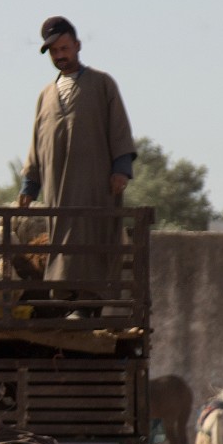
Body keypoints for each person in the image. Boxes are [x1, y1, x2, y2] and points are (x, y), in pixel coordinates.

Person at [18, 16, 136, 304]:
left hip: (96, 186)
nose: (60, 55)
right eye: (55, 52)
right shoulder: (46, 95)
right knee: (62, 240)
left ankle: (89, 303)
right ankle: (66, 299)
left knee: (93, 239)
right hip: (59, 191)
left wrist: (121, 168)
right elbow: (36, 144)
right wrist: (29, 186)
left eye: (64, 48)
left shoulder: (101, 84)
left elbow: (119, 128)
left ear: (77, 45)